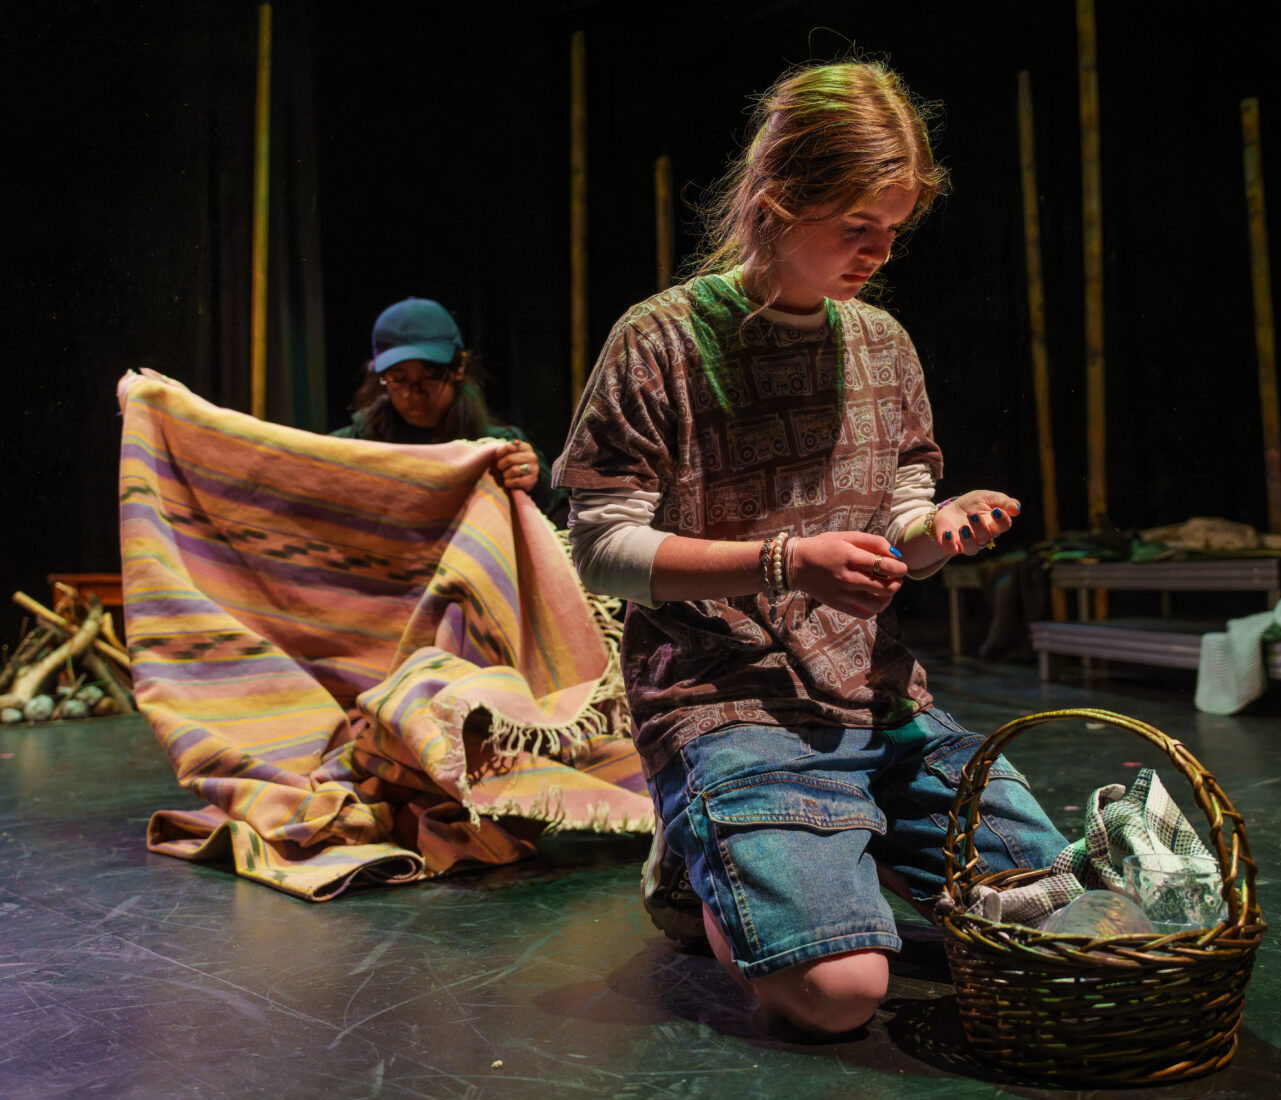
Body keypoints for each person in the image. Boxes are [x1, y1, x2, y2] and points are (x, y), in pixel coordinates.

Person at [552, 59, 1066, 1039]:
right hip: (725, 700)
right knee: (841, 992)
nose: (879, 252)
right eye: (856, 226)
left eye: (893, 230)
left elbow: (901, 522)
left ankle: (817, 851)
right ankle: (699, 856)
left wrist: (937, 530)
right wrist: (785, 561)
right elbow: (602, 547)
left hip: (875, 700)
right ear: (777, 200)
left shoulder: (882, 342)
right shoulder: (660, 341)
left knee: (1061, 917)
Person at [335, 296, 564, 518]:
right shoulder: (355, 443)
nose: (414, 393)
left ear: (459, 368)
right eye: (399, 379)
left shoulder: (497, 446)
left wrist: (535, 482)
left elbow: (559, 514)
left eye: (430, 375)